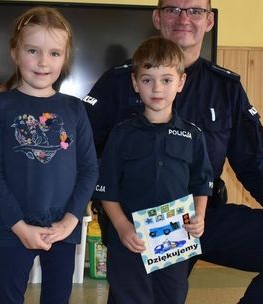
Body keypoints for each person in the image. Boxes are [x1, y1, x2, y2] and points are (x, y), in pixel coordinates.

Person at [84, 0, 263, 303]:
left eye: (194, 10)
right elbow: (85, 159)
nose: (183, 18)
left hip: (200, 217)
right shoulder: (118, 81)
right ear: (157, 17)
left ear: (209, 21)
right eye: (173, 9)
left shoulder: (225, 88)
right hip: (137, 226)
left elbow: (255, 167)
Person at [0, 7, 98, 304]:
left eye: (54, 53)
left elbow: (89, 169)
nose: (43, 62)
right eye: (32, 50)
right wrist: (19, 225)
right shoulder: (0, 106)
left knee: (57, 298)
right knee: (8, 297)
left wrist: (70, 221)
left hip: (62, 229)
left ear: (65, 58)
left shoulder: (75, 109)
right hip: (15, 226)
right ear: (15, 52)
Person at [92, 36, 213, 303]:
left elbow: (201, 183)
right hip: (130, 240)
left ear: (181, 83)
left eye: (166, 80)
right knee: (128, 298)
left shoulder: (193, 136)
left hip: (176, 240)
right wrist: (122, 226)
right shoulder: (122, 134)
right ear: (135, 83)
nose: (157, 88)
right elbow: (106, 188)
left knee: (172, 296)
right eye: (147, 80)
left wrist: (200, 216)